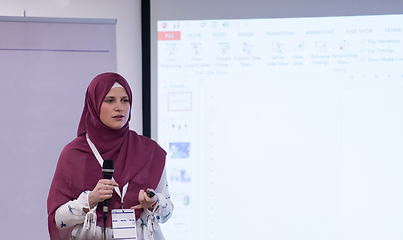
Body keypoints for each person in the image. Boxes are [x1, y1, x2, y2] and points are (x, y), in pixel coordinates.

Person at [47, 72, 173, 240]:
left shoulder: (150, 151)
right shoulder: (73, 154)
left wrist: (154, 203)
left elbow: (167, 214)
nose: (119, 107)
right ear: (94, 104)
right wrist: (90, 199)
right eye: (110, 100)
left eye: (125, 100)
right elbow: (58, 220)